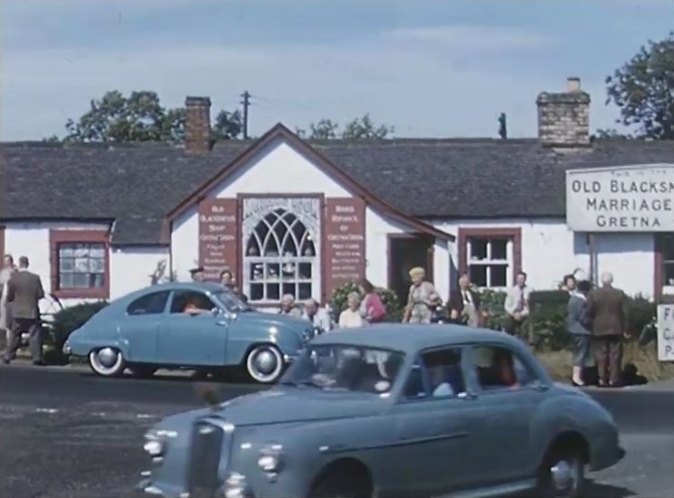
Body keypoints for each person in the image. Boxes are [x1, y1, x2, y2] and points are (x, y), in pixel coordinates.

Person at [587, 272, 627, 388]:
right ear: (612, 281)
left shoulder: (594, 294)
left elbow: (589, 311)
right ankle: (613, 379)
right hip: (615, 327)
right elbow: (625, 312)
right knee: (615, 354)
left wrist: (591, 323)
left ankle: (602, 378)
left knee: (600, 354)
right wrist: (626, 327)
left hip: (599, 327)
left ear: (601, 281)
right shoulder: (619, 294)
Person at [3, 256, 45, 365]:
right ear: (28, 264)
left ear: (20, 264)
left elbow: (10, 296)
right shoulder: (35, 278)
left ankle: (8, 355)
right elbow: (40, 294)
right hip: (31, 311)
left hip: (17, 311)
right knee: (34, 335)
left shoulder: (13, 278)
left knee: (14, 335)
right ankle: (37, 357)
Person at [566, 279, 594, 386]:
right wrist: (591, 323)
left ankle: (576, 376)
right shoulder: (581, 301)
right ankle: (576, 377)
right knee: (581, 354)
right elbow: (583, 318)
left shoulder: (572, 299)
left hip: (573, 329)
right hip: (581, 330)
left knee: (577, 353)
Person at [503, 271, 531, 336]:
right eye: (519, 279)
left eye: (522, 279)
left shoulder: (529, 290)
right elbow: (507, 306)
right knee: (508, 324)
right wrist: (514, 314)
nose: (520, 281)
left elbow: (529, 307)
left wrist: (521, 314)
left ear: (525, 280)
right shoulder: (512, 291)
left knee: (527, 326)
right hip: (513, 314)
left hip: (525, 315)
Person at [0, 254, 17, 347]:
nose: (6, 262)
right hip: (4, 297)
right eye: (5, 261)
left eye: (8, 260)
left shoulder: (15, 271)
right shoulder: (3, 272)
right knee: (4, 319)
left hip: (13, 298)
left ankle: (11, 341)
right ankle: (6, 341)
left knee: (11, 320)